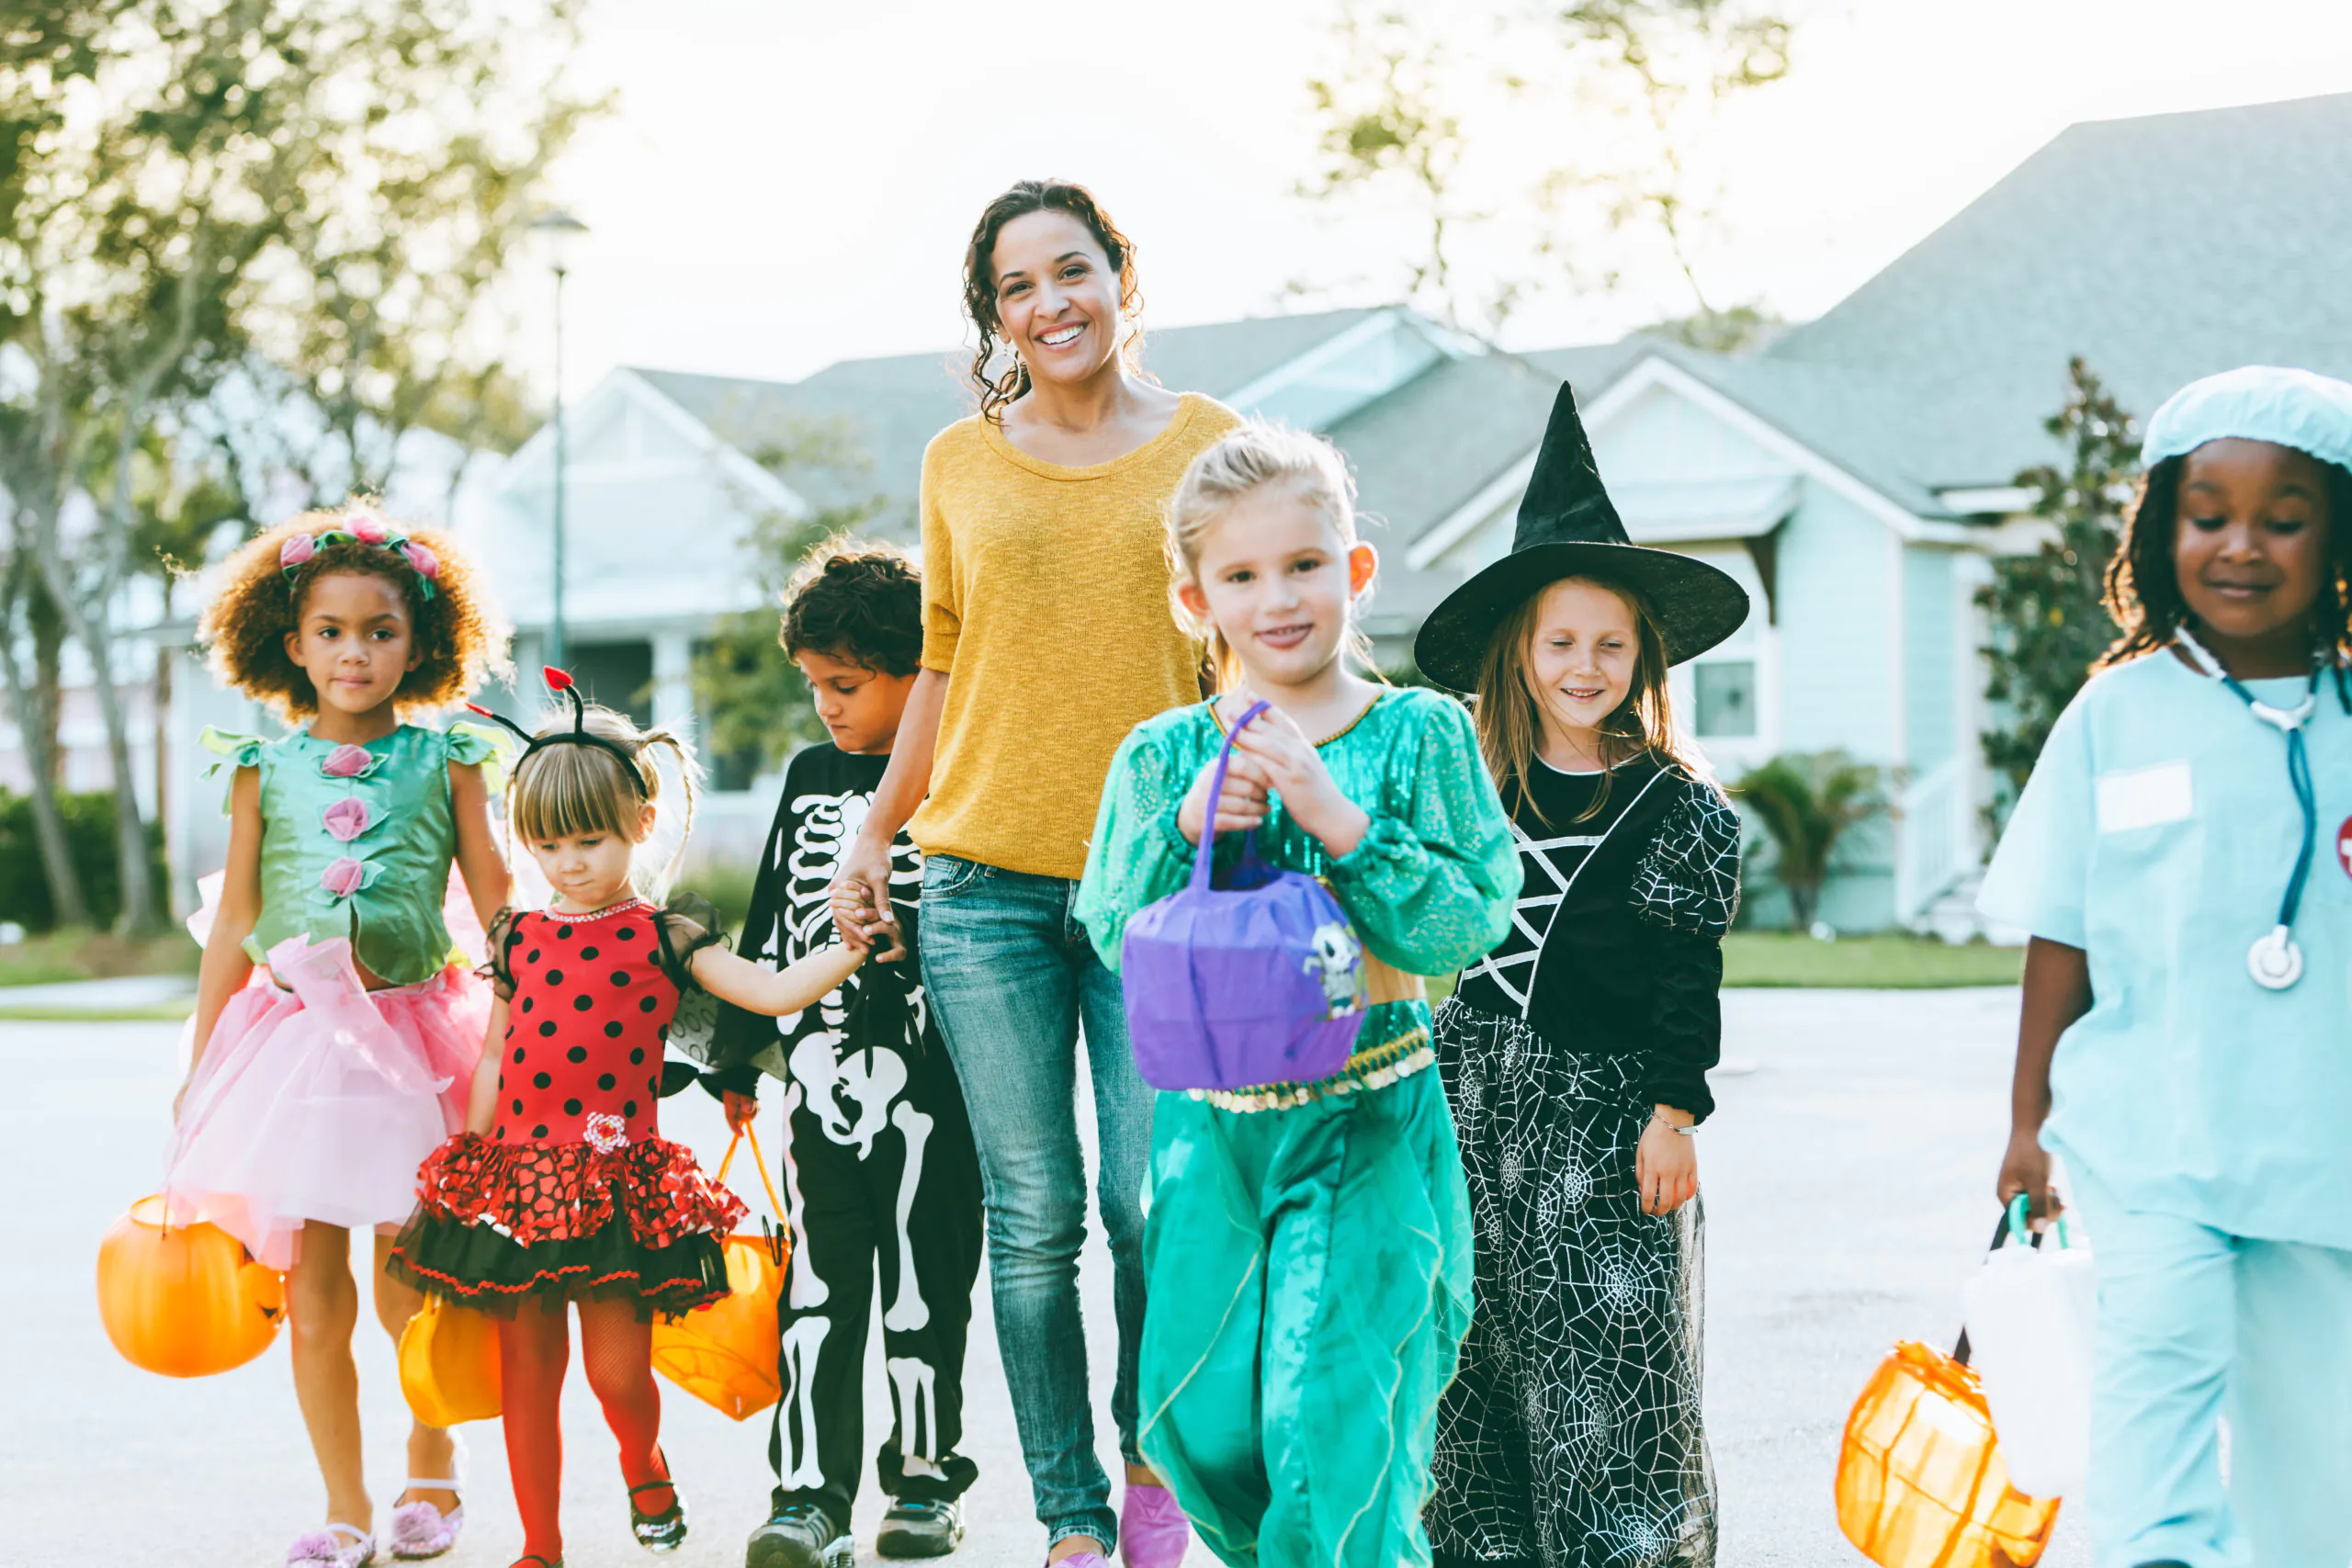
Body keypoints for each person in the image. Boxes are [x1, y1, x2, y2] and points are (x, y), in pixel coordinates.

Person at [830, 177, 1241, 1568]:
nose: (1050, 304)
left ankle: (1151, 1464)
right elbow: (945, 657)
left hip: (1160, 884)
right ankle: (1069, 1515)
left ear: (1122, 275)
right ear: (995, 313)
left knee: (1151, 1197)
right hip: (983, 881)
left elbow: (1242, 659)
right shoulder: (961, 460)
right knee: (1034, 1213)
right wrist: (880, 827)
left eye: (1073, 271)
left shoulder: (1210, 448)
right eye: (1017, 287)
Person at [1074, 422, 1521, 1568]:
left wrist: (1343, 824)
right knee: (1201, 1425)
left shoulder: (1416, 733)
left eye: (1304, 565)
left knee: (1325, 1430)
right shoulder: (1162, 757)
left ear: (1355, 570)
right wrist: (1182, 841)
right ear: (1194, 600)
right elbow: (1114, 934)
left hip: (1368, 1121)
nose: (1278, 598)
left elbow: (1468, 922)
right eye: (1241, 574)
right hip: (1210, 1141)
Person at [1982, 365, 2352, 1568]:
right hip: (2152, 1137)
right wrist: (2029, 1121)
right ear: (2159, 529)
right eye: (2208, 514)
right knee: (2158, 1371)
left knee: (2318, 1467)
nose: (2241, 545)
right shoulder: (2115, 713)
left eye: (2284, 517)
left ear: (2335, 529)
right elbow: (2061, 928)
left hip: (2320, 1150)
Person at [388, 678, 873, 1568]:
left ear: (639, 824)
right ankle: (540, 1547)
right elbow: (495, 1053)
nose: (568, 862)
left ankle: (643, 1466)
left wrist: (853, 945)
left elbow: (766, 993)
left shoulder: (664, 936)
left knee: (616, 1375)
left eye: (589, 839)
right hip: (514, 1182)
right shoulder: (517, 937)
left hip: (616, 1188)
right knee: (526, 1378)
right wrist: (467, 1158)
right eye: (547, 843)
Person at [1410, 386, 1750, 1568]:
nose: (1585, 665)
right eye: (1561, 641)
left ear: (1641, 658)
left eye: (1610, 645)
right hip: (1461, 1105)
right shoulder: (1466, 785)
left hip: (1602, 1122)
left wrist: (1672, 1112)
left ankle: (1624, 1551)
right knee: (1471, 1354)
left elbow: (1681, 980)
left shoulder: (1675, 809)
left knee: (1602, 1360)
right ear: (1521, 650)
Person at [164, 504, 511, 1568]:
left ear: (424, 643)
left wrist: (521, 1026)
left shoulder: (446, 757)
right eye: (330, 631)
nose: (354, 652)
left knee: (414, 1281)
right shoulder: (262, 768)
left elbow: (498, 907)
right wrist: (200, 1068)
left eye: (379, 630)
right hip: (297, 1045)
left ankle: (430, 1467)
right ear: (289, 639)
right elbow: (233, 926)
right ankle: (345, 1502)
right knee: (314, 1294)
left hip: (417, 1043)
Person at [697, 543, 984, 1568]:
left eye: (846, 686)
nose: (825, 705)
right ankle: (807, 1495)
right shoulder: (811, 775)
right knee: (815, 1289)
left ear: (921, 676)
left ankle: (924, 1484)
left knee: (927, 1279)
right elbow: (778, 908)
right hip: (817, 1083)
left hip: (941, 1084)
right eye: (814, 685)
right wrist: (737, 1062)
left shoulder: (961, 774)